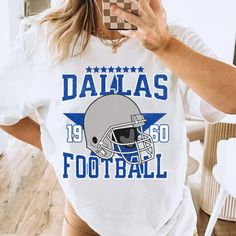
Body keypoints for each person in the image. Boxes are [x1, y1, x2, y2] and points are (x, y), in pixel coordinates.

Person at [0, 0, 236, 235]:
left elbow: (231, 99)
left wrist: (164, 46)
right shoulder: (44, 42)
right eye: (125, 133)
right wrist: (47, 143)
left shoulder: (176, 39)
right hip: (87, 225)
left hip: (171, 227)